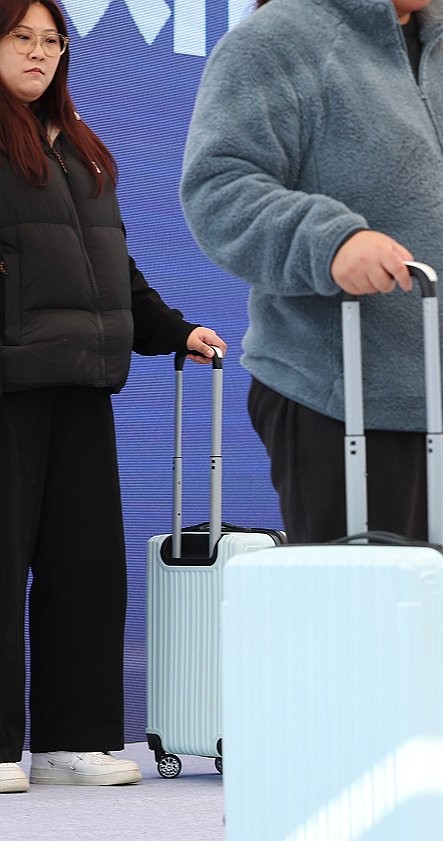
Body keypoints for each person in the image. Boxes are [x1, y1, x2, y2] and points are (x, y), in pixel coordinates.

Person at [179, 0, 443, 558]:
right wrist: (330, 242)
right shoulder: (276, 42)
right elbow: (219, 187)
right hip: (344, 402)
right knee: (361, 612)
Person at [0, 0, 226, 793]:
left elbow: (113, 270)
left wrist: (174, 330)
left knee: (85, 568)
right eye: (20, 38)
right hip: (9, 386)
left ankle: (73, 739)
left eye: (52, 41)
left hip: (83, 384)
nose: (40, 53)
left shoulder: (78, 146)